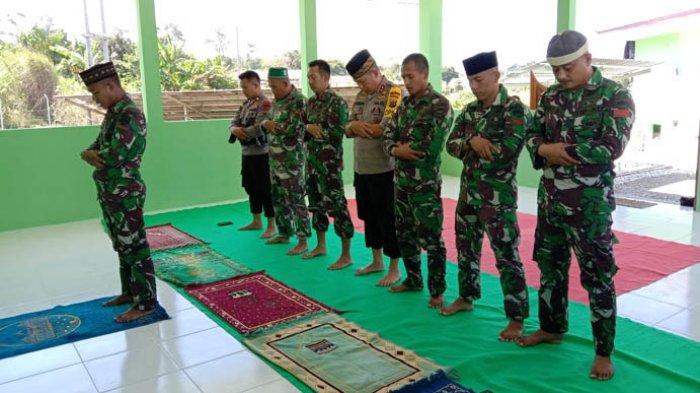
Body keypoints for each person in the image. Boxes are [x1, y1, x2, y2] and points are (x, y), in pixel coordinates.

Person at [517, 30, 635, 381]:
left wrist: (558, 152)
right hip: (551, 201)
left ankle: (603, 351)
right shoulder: (552, 97)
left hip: (590, 207)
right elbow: (531, 134)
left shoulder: (615, 95)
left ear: (588, 58)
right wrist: (541, 148)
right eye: (556, 71)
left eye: (568, 68)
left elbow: (611, 147)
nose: (562, 76)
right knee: (550, 270)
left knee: (597, 277)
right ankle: (552, 328)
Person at [442, 51, 531, 342]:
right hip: (469, 194)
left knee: (506, 256)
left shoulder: (514, 110)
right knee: (465, 249)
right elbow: (451, 146)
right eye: (470, 81)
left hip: (498, 199)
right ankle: (466, 297)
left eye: (479, 80)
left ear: (496, 75)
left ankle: (516, 318)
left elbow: (505, 152)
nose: (475, 87)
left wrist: (476, 146)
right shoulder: (468, 111)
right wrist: (472, 141)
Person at [79, 61, 157, 323]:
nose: (95, 99)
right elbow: (98, 145)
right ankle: (129, 292)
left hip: (125, 193)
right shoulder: (114, 114)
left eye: (96, 93)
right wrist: (90, 152)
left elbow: (114, 154)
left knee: (135, 247)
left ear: (111, 86)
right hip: (111, 192)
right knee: (122, 244)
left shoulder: (130, 115)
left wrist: (92, 155)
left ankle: (146, 303)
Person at [383, 53, 453, 308]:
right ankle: (413, 279)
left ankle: (437, 291)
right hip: (401, 183)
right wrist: (395, 149)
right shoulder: (405, 105)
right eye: (403, 77)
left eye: (410, 76)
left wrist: (399, 148)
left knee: (432, 238)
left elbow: (428, 147)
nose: (406, 82)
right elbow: (389, 132)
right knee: (405, 235)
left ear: (425, 73)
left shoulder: (439, 105)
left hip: (424, 186)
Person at [345, 49, 403, 286]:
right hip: (362, 167)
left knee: (388, 217)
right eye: (358, 82)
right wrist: (355, 126)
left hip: (384, 168)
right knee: (369, 216)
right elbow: (347, 127)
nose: (361, 85)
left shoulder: (394, 93)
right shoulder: (360, 96)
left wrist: (359, 127)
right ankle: (376, 260)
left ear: (376, 73)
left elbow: (384, 128)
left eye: (363, 80)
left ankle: (394, 267)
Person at [304, 59, 355, 269]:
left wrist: (318, 130)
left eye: (313, 77)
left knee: (337, 207)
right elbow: (301, 128)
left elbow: (338, 132)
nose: (310, 81)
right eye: (308, 77)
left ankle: (346, 254)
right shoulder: (310, 103)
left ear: (326, 78)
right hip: (312, 164)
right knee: (316, 205)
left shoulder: (337, 103)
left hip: (330, 165)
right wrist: (308, 128)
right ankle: (321, 245)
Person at [260, 67, 311, 256]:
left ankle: (303, 239)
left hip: (292, 160)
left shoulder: (299, 102)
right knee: (278, 197)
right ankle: (284, 232)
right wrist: (266, 124)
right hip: (274, 158)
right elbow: (265, 120)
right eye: (270, 86)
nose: (272, 90)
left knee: (296, 198)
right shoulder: (276, 101)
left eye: (274, 86)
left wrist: (273, 126)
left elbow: (294, 129)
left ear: (285, 83)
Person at [228, 70, 276, 238]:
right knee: (250, 187)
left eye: (245, 87)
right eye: (242, 88)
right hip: (247, 153)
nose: (243, 91)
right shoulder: (246, 105)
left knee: (265, 189)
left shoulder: (266, 104)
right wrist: (234, 129)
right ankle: (256, 220)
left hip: (262, 154)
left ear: (256, 85)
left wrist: (242, 132)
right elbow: (233, 121)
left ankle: (271, 224)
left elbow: (260, 127)